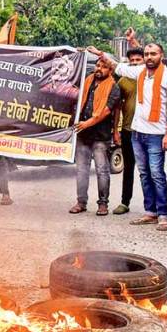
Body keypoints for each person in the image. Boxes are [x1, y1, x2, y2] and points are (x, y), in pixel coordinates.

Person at [89, 43, 167, 231]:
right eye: (146, 54)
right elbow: (117, 66)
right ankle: (150, 212)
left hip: (157, 133)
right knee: (144, 174)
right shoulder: (140, 72)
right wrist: (100, 54)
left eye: (153, 54)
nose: (149, 57)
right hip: (137, 132)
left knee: (156, 174)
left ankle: (163, 214)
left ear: (161, 55)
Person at [69, 59, 122, 215]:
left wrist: (87, 123)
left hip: (100, 135)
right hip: (82, 134)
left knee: (102, 170)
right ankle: (81, 202)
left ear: (110, 70)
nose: (99, 69)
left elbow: (105, 111)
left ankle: (103, 204)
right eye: (98, 66)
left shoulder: (114, 87)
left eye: (104, 67)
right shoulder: (87, 82)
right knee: (81, 170)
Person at [112, 47, 144, 215]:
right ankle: (125, 202)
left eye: (138, 60)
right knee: (129, 168)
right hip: (127, 130)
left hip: (147, 131)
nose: (134, 63)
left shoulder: (149, 78)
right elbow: (116, 107)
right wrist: (116, 130)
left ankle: (152, 206)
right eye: (132, 60)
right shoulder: (122, 81)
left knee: (150, 171)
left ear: (144, 61)